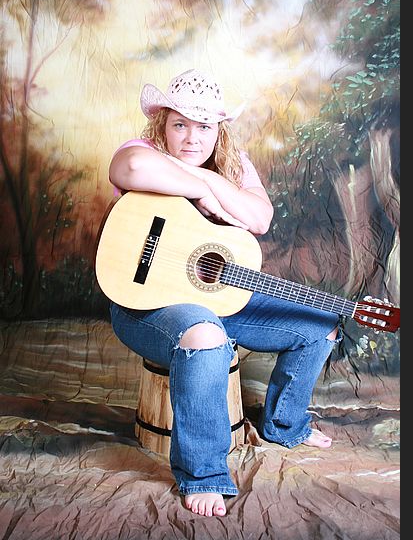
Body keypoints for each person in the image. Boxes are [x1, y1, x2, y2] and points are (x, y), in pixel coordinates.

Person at [108, 69, 341, 518]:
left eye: (204, 127)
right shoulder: (142, 151)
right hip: (144, 303)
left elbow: (259, 218)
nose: (192, 139)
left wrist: (214, 183)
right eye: (180, 125)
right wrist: (201, 186)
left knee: (319, 324)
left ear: (219, 131)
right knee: (205, 335)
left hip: (219, 296)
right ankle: (203, 474)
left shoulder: (235, 165)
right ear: (163, 125)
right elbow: (132, 170)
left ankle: (285, 424)